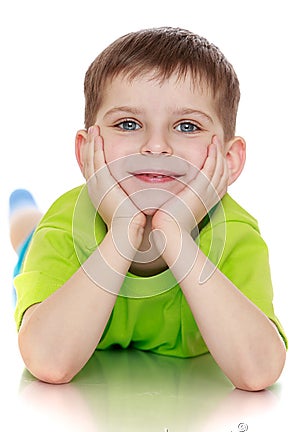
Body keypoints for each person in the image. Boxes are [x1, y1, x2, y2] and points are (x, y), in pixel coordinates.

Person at [10, 27, 287, 390]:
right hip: (43, 246)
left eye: (187, 126)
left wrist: (172, 233)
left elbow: (258, 372)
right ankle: (19, 205)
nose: (156, 146)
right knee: (27, 231)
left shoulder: (235, 234)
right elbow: (49, 361)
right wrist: (124, 230)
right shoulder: (65, 225)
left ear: (230, 159)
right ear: (86, 150)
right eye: (128, 124)